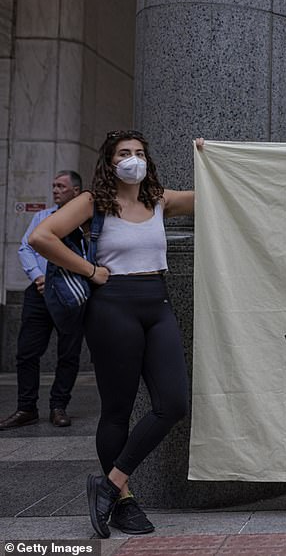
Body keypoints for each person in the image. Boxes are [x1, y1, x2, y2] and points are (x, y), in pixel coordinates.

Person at [29, 130, 199, 537]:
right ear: (109, 161)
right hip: (112, 306)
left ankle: (108, 484)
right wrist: (89, 270)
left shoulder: (160, 198)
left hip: (156, 302)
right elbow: (40, 236)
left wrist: (210, 155)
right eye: (124, 153)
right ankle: (123, 503)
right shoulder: (93, 201)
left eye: (139, 152)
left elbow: (215, 191)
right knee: (117, 409)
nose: (133, 159)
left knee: (173, 402)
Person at [0, 172, 84, 430]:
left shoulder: (85, 222)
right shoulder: (42, 217)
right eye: (54, 186)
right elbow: (26, 247)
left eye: (61, 186)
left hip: (70, 295)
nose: (56, 190)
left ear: (76, 192)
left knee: (68, 353)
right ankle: (27, 408)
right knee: (26, 353)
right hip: (38, 293)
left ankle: (58, 406)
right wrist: (38, 276)